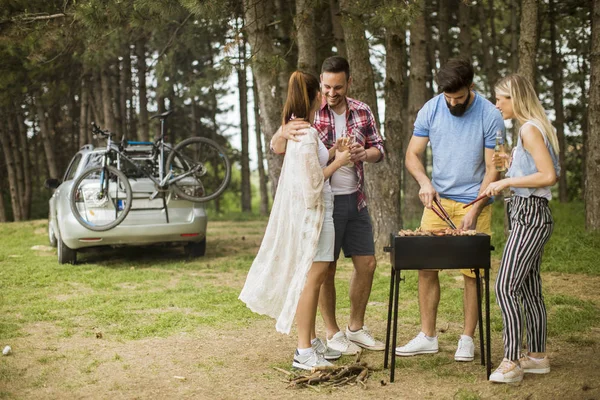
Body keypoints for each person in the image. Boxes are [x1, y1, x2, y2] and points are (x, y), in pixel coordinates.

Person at [271, 56, 386, 355]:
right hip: (323, 204)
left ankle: (355, 328)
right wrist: (281, 132)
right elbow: (280, 147)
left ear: (349, 83)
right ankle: (331, 333)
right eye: (327, 87)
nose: (332, 93)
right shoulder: (306, 120)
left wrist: (362, 154)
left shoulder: (362, 110)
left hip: (354, 200)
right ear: (319, 87)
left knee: (367, 264)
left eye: (338, 87)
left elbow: (379, 150)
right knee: (324, 271)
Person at [239, 71, 351, 370]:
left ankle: (312, 339)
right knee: (311, 280)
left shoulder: (301, 130)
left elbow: (309, 167)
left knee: (313, 277)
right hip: (315, 213)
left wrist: (333, 152)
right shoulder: (306, 132)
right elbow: (311, 183)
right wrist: (340, 162)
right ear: (316, 96)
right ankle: (303, 351)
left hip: (317, 210)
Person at [398, 58, 504, 362]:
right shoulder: (431, 109)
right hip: (439, 201)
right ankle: (428, 336)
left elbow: (492, 169)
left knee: (472, 272)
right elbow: (412, 154)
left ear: (471, 87)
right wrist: (424, 182)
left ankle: (467, 339)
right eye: (448, 98)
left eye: (459, 98)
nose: (453, 103)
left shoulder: (489, 115)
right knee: (426, 265)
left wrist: (477, 205)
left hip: (475, 201)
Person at [485, 74, 559, 384]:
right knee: (529, 288)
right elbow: (535, 170)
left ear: (517, 98)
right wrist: (512, 165)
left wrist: (506, 180)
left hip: (530, 215)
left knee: (505, 286)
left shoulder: (529, 129)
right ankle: (537, 357)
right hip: (530, 213)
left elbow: (548, 176)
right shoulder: (532, 129)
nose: (497, 103)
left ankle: (512, 361)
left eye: (501, 98)